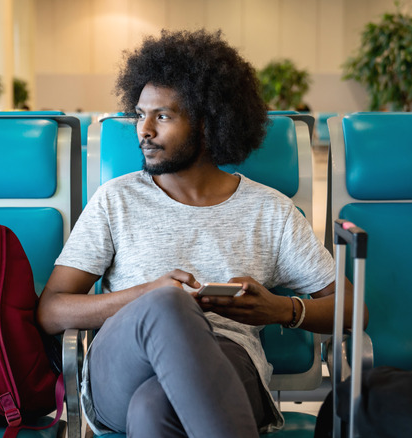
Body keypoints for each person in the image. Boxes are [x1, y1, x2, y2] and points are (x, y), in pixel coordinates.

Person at [38, 29, 364, 437]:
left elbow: (354, 308)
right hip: (120, 366)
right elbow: (52, 311)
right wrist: (148, 295)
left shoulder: (269, 210)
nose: (145, 130)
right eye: (140, 114)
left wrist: (281, 310)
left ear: (209, 124)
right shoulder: (116, 200)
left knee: (155, 408)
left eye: (163, 116)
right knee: (166, 308)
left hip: (229, 361)